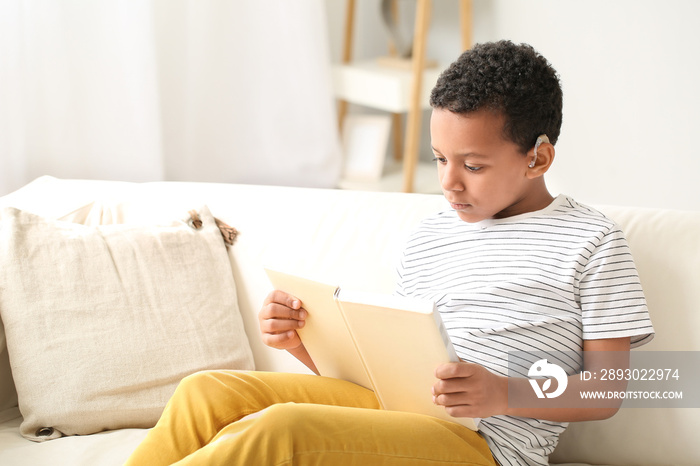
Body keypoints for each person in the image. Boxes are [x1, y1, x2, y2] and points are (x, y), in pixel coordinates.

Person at [124, 40, 654, 466]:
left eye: (472, 165)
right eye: (439, 158)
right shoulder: (430, 236)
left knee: (282, 432)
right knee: (206, 392)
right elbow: (384, 376)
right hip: (395, 413)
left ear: (538, 158)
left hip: (485, 448)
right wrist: (303, 343)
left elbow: (606, 391)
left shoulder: (591, 241)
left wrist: (504, 394)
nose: (449, 183)